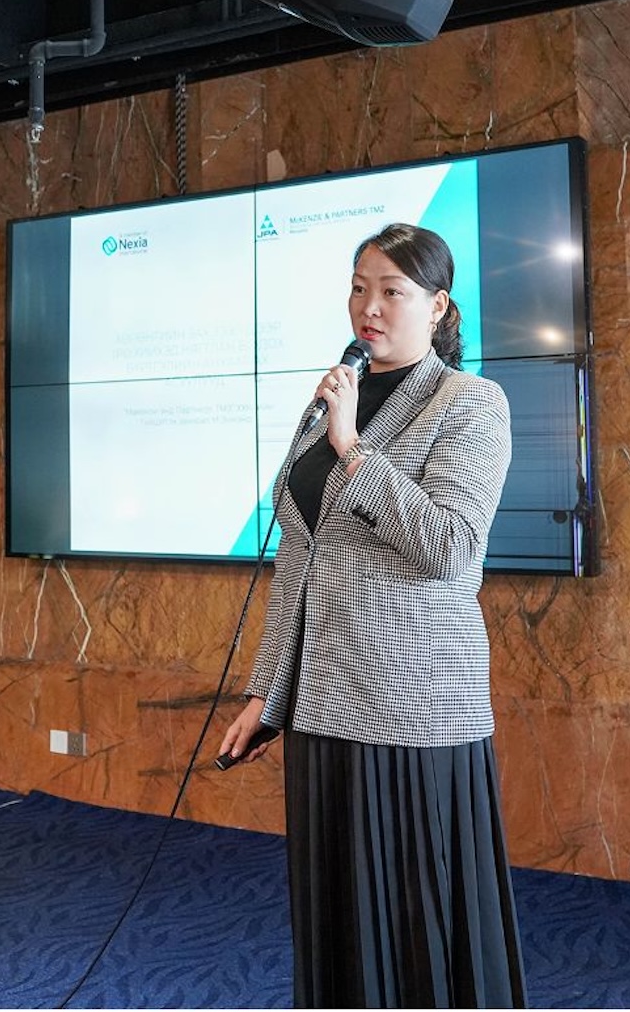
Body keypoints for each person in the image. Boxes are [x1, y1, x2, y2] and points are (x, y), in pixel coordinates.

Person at [219, 222, 525, 1009]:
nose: (370, 306)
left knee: (415, 928)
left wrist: (354, 448)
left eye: (392, 291)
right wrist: (266, 693)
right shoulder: (332, 400)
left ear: (438, 306)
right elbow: (300, 556)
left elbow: (451, 547)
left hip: (411, 713)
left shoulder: (469, 403)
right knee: (340, 926)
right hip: (323, 707)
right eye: (360, 288)